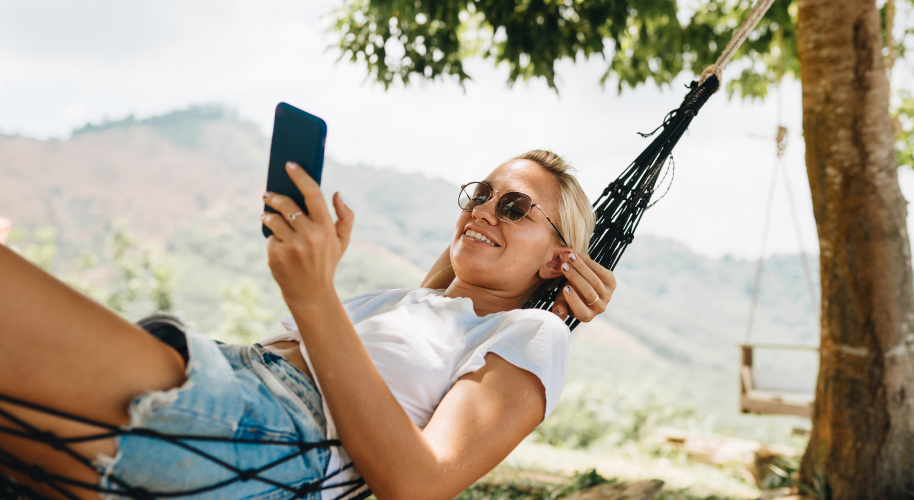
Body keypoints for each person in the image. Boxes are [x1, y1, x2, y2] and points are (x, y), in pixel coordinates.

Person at [0, 150, 616, 500]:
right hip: (229, 394)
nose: (482, 211)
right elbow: (448, 283)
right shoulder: (403, 305)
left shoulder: (530, 334)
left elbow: (421, 482)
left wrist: (314, 296)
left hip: (260, 440)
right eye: (478, 195)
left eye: (514, 207)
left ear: (559, 256)